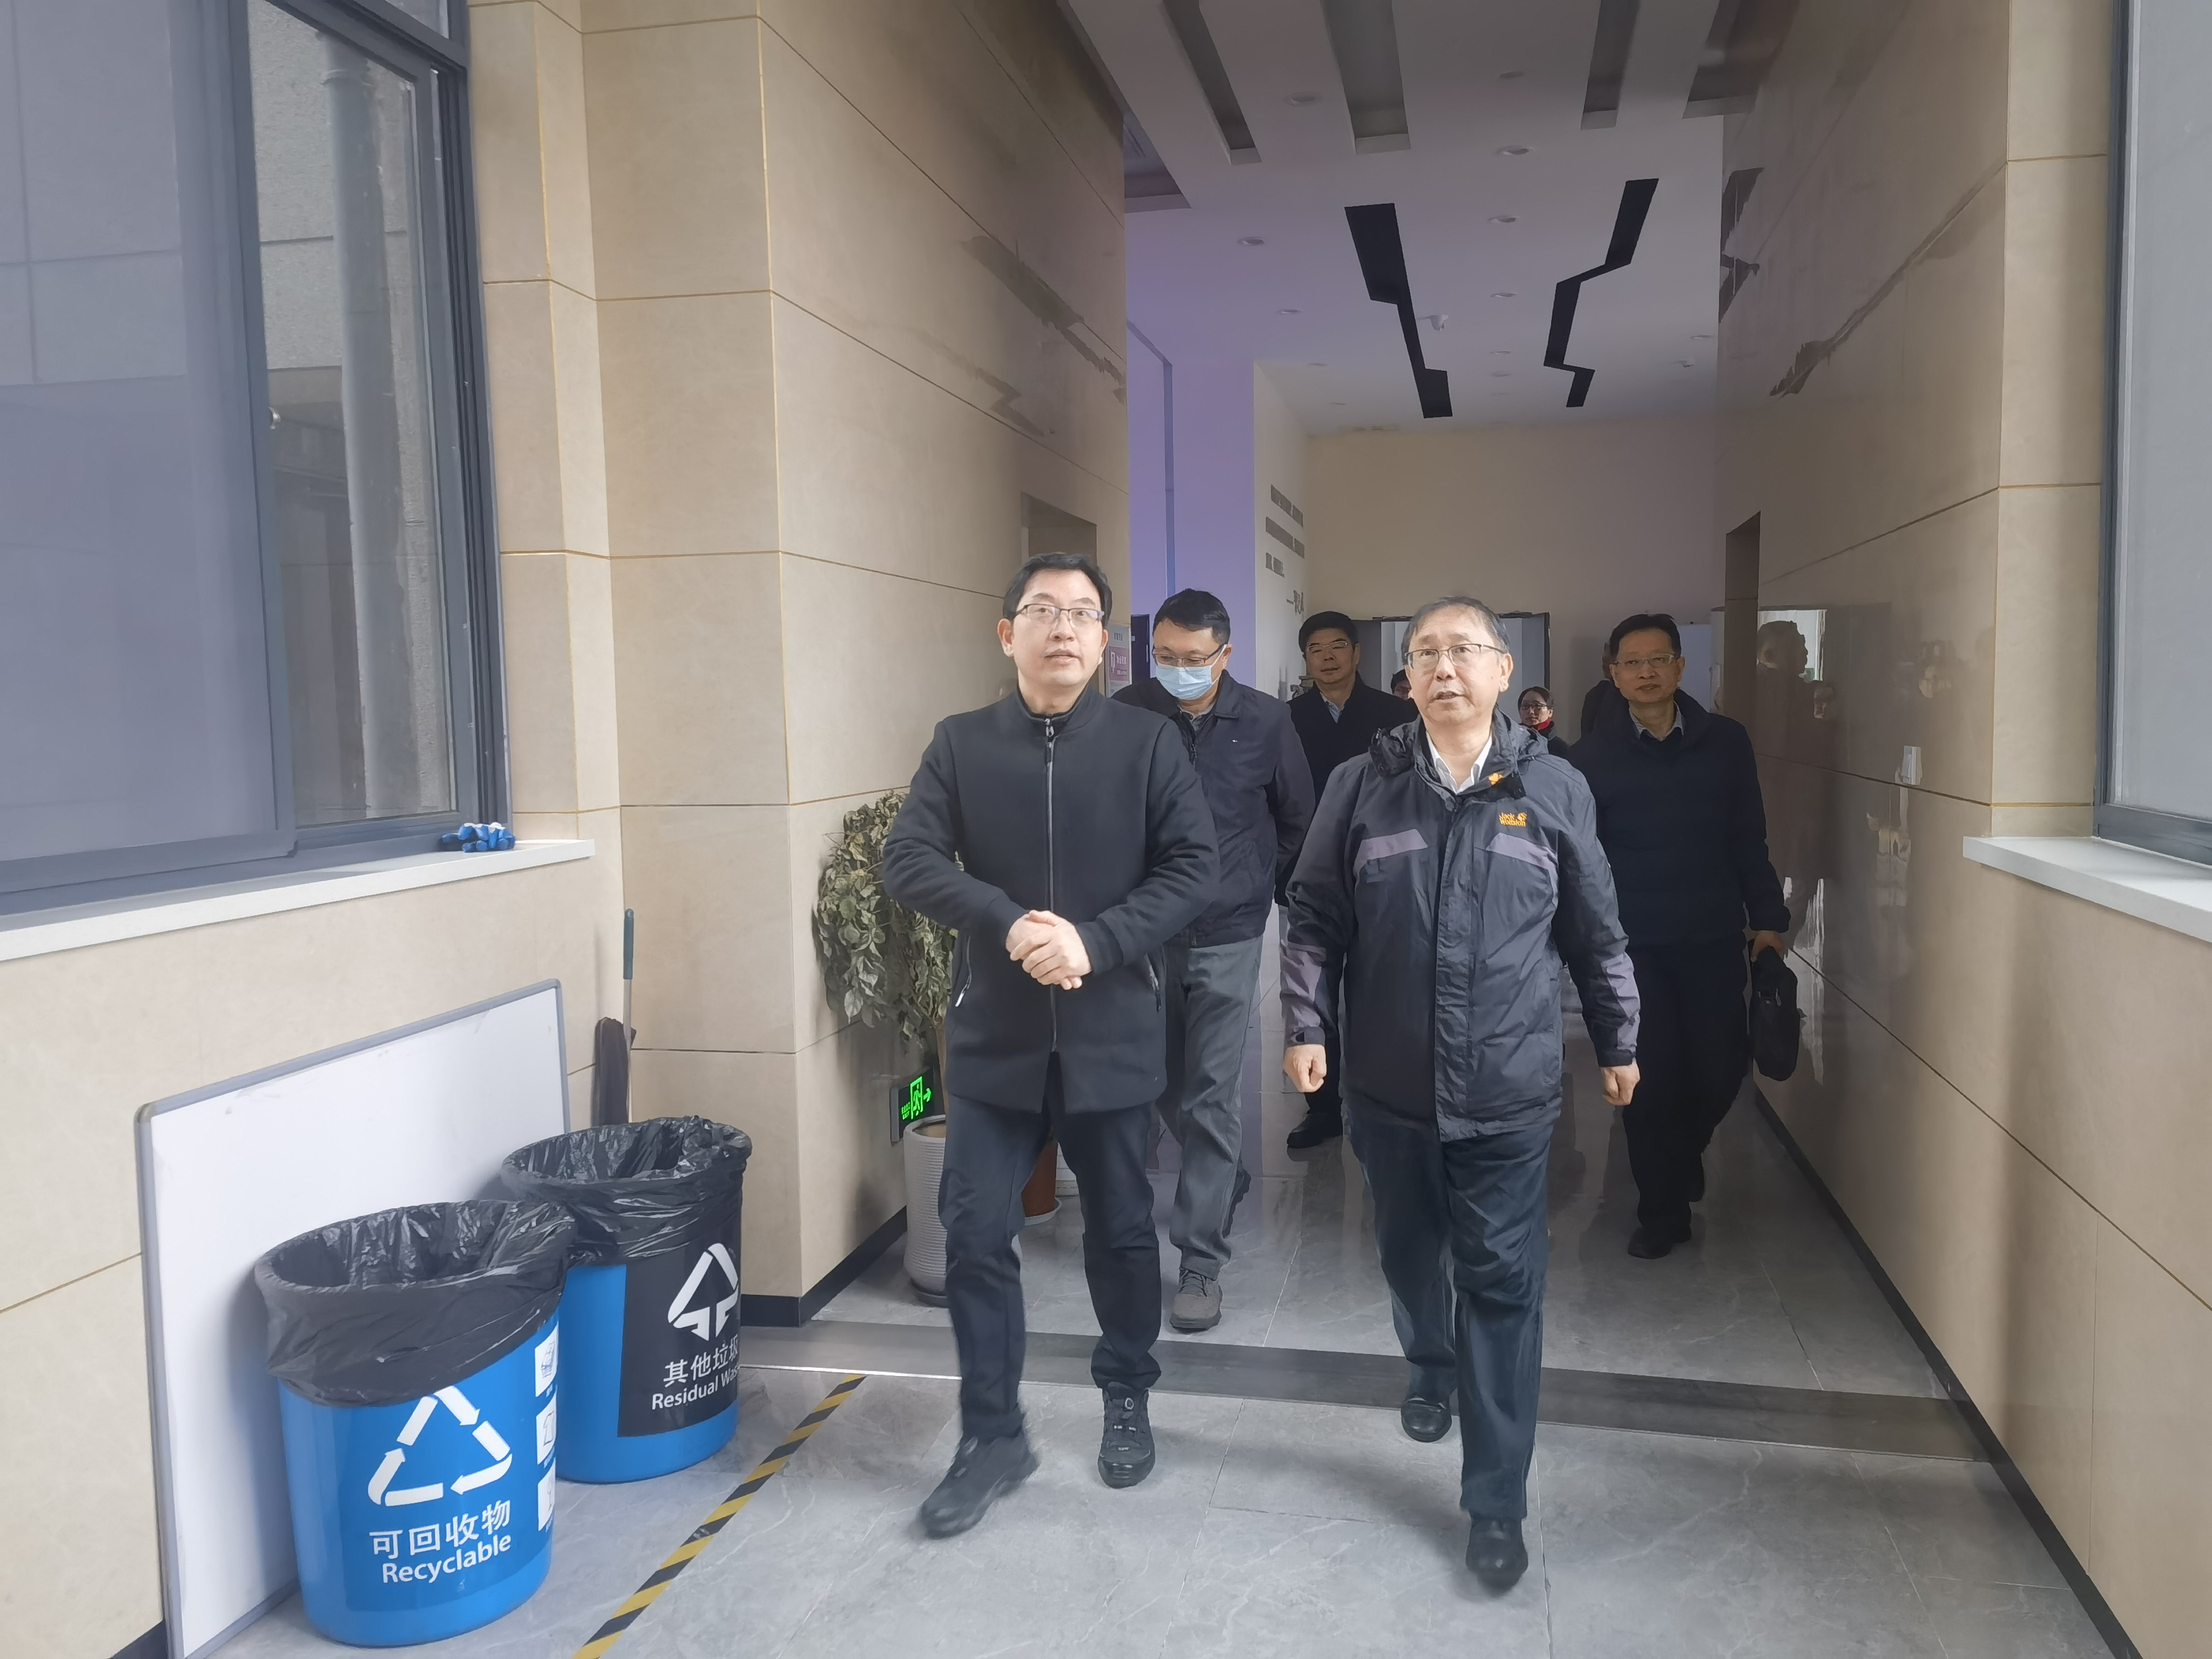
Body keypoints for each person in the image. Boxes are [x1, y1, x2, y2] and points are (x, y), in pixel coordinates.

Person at [1282, 596, 1640, 1588]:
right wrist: (1306, 1025)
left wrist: (1618, 1035)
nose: (1444, 668)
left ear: (1501, 670)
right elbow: (1313, 916)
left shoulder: (1553, 787)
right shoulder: (1362, 785)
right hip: (1388, 1086)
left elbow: (1596, 927)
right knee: (1408, 1257)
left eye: (1464, 651)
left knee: (1502, 1285)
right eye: (1426, 654)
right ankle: (1428, 1363)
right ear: (1406, 678)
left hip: (1509, 1091)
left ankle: (1495, 1500)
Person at [884, 552, 1217, 1536]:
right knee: (975, 1233)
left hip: (1112, 1033)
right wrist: (1009, 921)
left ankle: (1127, 1392)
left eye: (1082, 613)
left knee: (1121, 1233)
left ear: (1105, 640)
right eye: (1042, 610)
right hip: (995, 1043)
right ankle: (993, 1436)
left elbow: (1193, 867)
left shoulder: (1149, 743)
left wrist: (1095, 942)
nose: (1063, 627)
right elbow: (908, 858)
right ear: (1008, 634)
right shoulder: (961, 742)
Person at [1115, 589, 1313, 1332]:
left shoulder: (1266, 721)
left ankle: (1200, 1259)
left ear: (1224, 656)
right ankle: (1222, 1173)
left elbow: (1297, 819)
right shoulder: (1129, 713)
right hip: (1146, 932)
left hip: (1229, 931)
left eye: (1193, 659)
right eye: (1164, 656)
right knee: (1160, 1085)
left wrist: (1252, 883)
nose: (1177, 670)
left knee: (1210, 1095)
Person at [1569, 612, 1789, 1259]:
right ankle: (1661, 1211)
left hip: (1712, 935)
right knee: (1653, 1080)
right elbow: (1580, 862)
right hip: (1631, 948)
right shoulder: (1588, 760)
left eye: (1657, 660)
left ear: (1680, 667)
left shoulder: (1726, 742)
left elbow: (1749, 837)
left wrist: (1767, 920)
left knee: (1722, 1070)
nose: (1645, 672)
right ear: (1613, 674)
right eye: (1631, 663)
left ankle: (1683, 1152)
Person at [1284, 611, 1415, 1150]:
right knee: (1314, 986)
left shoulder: (1396, 714)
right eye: (1316, 649)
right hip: (1311, 869)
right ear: (1306, 659)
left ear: (1357, 653)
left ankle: (1381, 1098)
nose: (1328, 657)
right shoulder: (1286, 719)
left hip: (1383, 869)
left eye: (1338, 646)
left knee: (1380, 989)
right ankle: (1322, 1108)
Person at [1516, 685, 1570, 757]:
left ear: (1550, 712)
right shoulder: (1511, 743)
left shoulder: (1562, 750)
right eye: (1526, 706)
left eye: (1537, 706)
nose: (1531, 711)